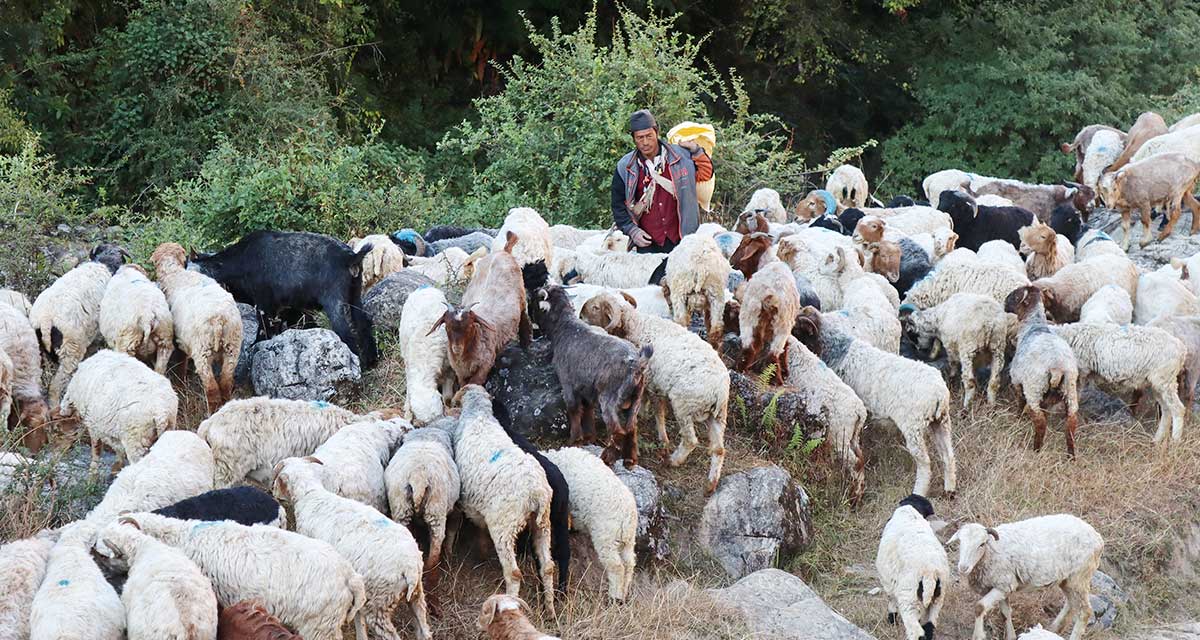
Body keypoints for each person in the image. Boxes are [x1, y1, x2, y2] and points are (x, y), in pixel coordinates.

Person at [611, 109, 713, 254]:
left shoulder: (681, 156)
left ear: (657, 132)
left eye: (649, 136)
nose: (645, 142)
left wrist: (696, 151)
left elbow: (705, 174)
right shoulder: (625, 167)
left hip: (682, 240)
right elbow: (618, 205)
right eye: (640, 138)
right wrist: (632, 231)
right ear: (633, 138)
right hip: (647, 245)